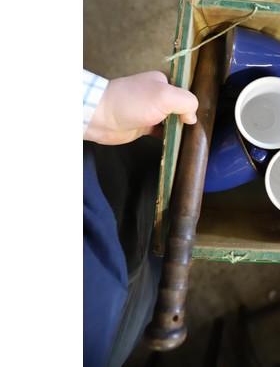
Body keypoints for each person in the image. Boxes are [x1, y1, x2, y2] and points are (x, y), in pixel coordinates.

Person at [83, 69, 198, 367]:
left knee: (141, 170)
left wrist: (101, 108)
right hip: (106, 330)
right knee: (155, 246)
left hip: (91, 207)